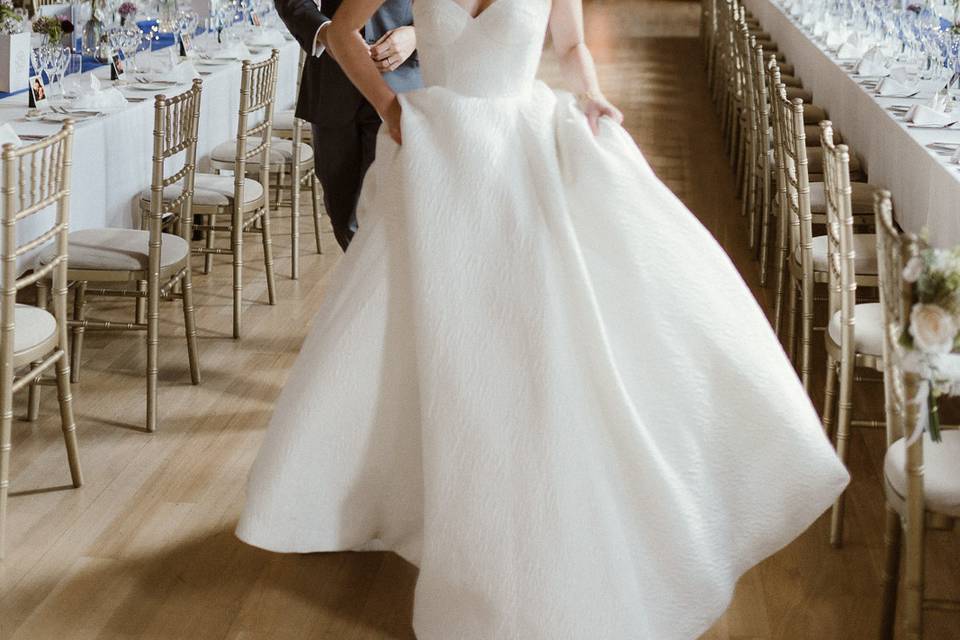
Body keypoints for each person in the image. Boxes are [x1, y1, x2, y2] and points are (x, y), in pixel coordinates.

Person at [237, 1, 849, 638]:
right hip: (438, 159)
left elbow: (573, 47)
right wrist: (394, 112)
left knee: (519, 340)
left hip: (518, 152)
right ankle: (380, 496)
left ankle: (519, 531)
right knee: (416, 342)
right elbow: (339, 33)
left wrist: (592, 94)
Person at [273, 0, 421, 251]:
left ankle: (383, 286)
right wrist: (324, 31)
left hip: (401, 85)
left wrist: (416, 34)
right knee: (342, 215)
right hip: (334, 85)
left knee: (381, 215)